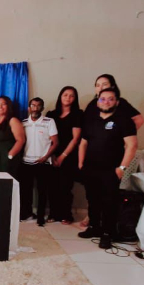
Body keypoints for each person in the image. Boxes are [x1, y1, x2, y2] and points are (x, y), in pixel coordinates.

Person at [78, 87, 138, 249]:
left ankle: (107, 233)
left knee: (109, 202)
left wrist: (122, 168)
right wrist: (81, 163)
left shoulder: (124, 120)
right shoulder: (91, 120)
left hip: (111, 170)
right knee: (92, 200)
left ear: (116, 102)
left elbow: (132, 145)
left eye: (110, 99)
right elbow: (83, 142)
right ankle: (94, 227)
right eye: (103, 99)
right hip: (90, 168)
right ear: (98, 101)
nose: (106, 102)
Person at [46, 87, 84, 225]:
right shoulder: (51, 114)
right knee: (52, 186)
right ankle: (53, 214)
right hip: (52, 153)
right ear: (60, 96)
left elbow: (76, 139)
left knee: (65, 186)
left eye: (71, 96)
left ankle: (66, 215)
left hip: (69, 155)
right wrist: (51, 155)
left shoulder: (77, 114)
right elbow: (47, 137)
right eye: (65, 95)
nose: (68, 98)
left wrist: (62, 156)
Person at [19, 97, 58, 225]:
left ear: (42, 107)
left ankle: (41, 216)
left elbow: (55, 142)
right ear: (29, 108)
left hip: (43, 162)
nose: (35, 108)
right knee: (26, 190)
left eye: (38, 106)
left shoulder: (49, 121)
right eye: (33, 105)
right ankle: (27, 213)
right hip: (26, 162)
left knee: (42, 191)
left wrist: (46, 157)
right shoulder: (23, 122)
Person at [0, 96, 26, 176]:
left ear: (8, 106)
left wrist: (10, 156)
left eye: (3, 104)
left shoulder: (13, 120)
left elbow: (21, 140)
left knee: (5, 185)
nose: (0, 107)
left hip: (5, 160)